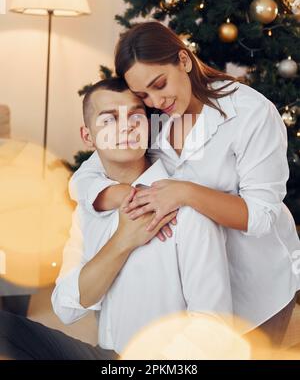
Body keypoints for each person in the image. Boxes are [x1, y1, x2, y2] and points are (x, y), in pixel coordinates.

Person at [70, 21, 300, 347]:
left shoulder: (251, 114)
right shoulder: (152, 115)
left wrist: (185, 192)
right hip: (194, 289)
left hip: (257, 285)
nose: (155, 100)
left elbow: (261, 216)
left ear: (184, 60)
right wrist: (128, 197)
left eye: (159, 84)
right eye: (142, 94)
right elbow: (86, 175)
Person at [0, 77, 232, 359]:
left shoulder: (185, 209)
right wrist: (122, 241)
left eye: (135, 115)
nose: (125, 126)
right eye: (109, 120)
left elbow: (213, 328)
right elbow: (66, 306)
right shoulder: (89, 208)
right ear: (88, 136)